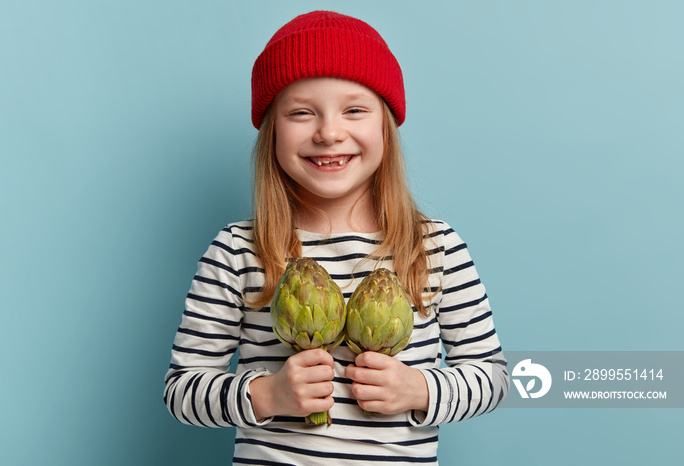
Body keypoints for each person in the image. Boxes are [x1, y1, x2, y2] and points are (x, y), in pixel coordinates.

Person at [164, 10, 509, 465]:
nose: (329, 132)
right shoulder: (237, 251)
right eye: (302, 112)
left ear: (385, 125)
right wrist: (268, 394)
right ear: (272, 132)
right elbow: (182, 390)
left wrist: (419, 388)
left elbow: (493, 378)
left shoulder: (435, 249)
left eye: (354, 110)